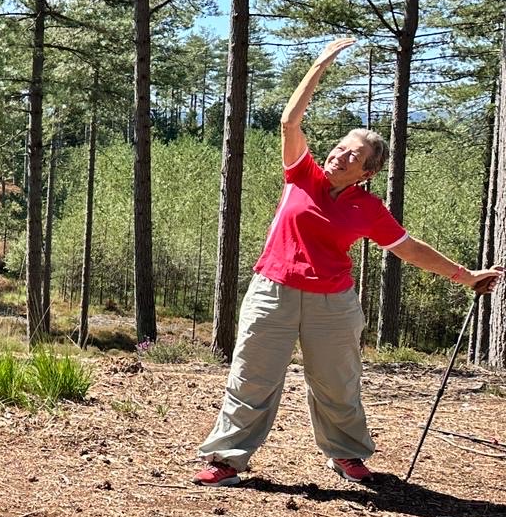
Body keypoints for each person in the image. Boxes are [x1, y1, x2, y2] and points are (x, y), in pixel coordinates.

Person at [195, 37, 502, 487]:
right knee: (252, 379)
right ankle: (227, 458)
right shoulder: (303, 174)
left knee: (338, 386)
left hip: (333, 305)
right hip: (272, 292)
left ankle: (347, 455)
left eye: (353, 154)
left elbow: (408, 248)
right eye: (340, 147)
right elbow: (288, 122)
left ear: (368, 172)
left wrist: (465, 275)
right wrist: (319, 65)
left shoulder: (368, 209)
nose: (340, 154)